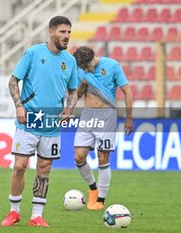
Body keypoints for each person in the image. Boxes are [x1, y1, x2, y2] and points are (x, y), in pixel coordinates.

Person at [1, 16, 78, 227]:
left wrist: (69, 108)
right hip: (28, 121)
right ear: (51, 32)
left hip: (52, 125)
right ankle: (14, 211)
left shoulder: (70, 61)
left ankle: (36, 215)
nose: (66, 36)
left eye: (69, 32)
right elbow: (13, 81)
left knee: (44, 169)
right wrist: (19, 105)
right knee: (20, 166)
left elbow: (74, 91)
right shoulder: (33, 53)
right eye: (62, 32)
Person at [73, 46, 134, 210]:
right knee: (79, 157)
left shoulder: (113, 66)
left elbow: (127, 91)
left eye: (87, 66)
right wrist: (82, 85)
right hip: (87, 115)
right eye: (83, 68)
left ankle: (100, 200)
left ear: (93, 58)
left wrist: (129, 118)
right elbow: (77, 95)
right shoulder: (82, 70)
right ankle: (93, 187)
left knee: (103, 159)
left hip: (106, 116)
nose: (86, 70)